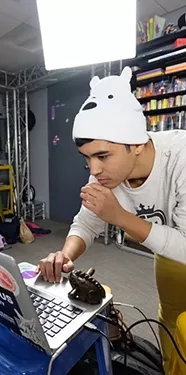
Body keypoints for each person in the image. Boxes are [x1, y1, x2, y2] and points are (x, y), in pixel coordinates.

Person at [36, 66, 186, 374]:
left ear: (136, 143)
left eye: (102, 156)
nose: (94, 170)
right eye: (87, 158)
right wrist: (65, 255)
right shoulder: (104, 174)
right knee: (172, 329)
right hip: (168, 261)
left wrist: (119, 217)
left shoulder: (181, 157)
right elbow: (86, 223)